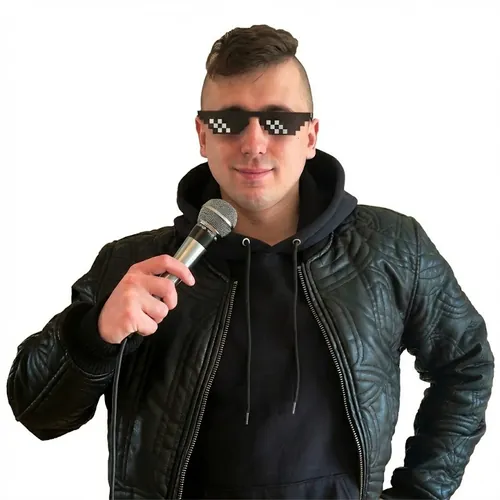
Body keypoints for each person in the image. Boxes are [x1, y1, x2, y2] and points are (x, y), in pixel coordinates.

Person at [6, 24, 495, 500]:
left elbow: (465, 365)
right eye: (229, 121)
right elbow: (36, 412)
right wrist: (95, 335)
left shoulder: (392, 249)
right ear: (203, 135)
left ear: (310, 136)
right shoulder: (135, 267)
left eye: (278, 121)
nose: (254, 142)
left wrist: (421, 490)